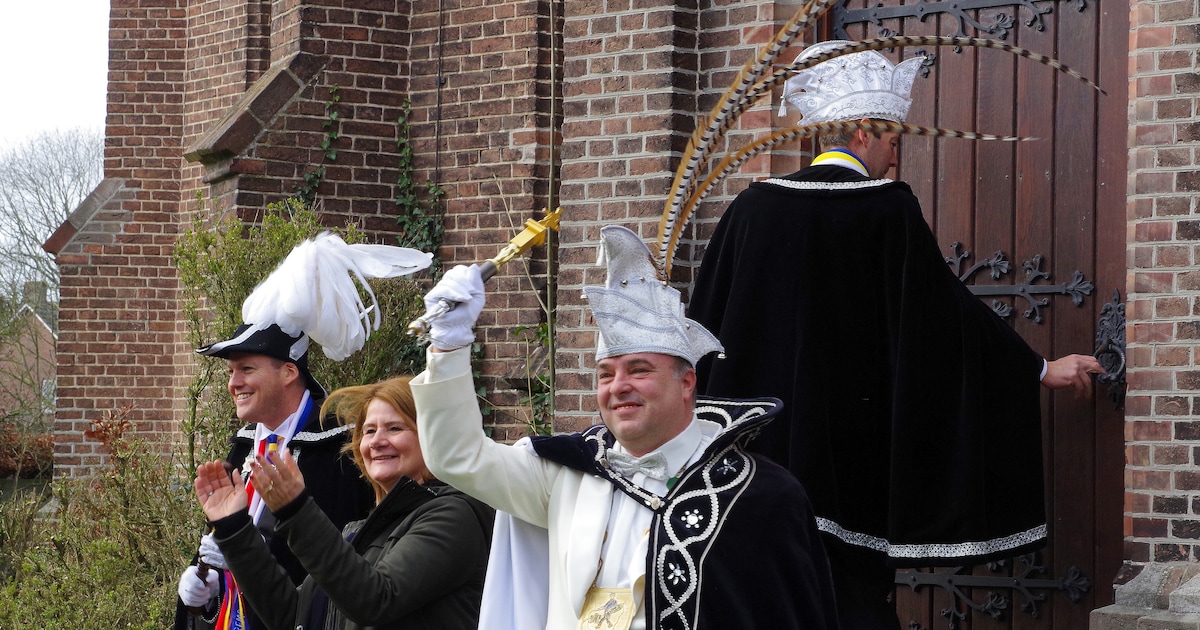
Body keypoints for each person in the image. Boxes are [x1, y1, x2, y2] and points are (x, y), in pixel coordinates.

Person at [685, 41, 1105, 630]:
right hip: (851, 456)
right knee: (850, 601)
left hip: (756, 458)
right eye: (891, 138)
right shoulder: (885, 209)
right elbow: (946, 319)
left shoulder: (751, 208)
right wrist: (1038, 368)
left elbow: (703, 324)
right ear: (863, 132)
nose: (894, 153)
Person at [411, 225, 839, 630]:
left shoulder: (758, 493)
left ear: (686, 382)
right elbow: (457, 457)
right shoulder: (567, 473)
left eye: (639, 370)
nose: (618, 387)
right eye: (605, 374)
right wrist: (449, 346)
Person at [192, 375, 495, 630]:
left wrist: (296, 510)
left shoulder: (453, 515)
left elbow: (376, 600)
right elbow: (295, 617)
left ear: (433, 438)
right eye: (369, 431)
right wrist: (235, 529)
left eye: (395, 428)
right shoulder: (358, 531)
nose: (377, 441)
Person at [174, 323, 376, 630]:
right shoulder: (244, 445)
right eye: (231, 372)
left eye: (247, 369)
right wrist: (209, 589)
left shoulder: (339, 449)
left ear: (289, 372)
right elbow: (220, 536)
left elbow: (339, 565)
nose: (234, 383)